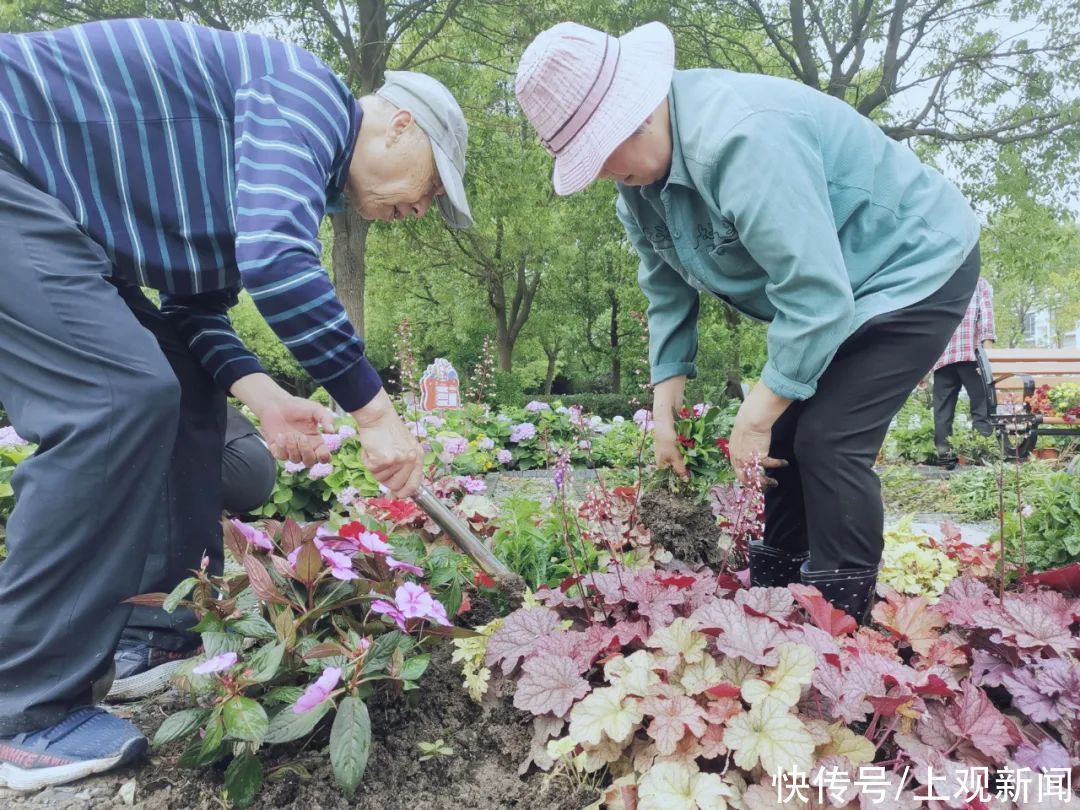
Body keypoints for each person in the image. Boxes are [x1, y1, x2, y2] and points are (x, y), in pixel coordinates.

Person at [0, 18, 471, 789]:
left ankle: (156, 629)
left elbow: (193, 315)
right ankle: (24, 712)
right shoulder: (307, 98)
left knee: (180, 381)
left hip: (54, 211)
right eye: (433, 185)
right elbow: (276, 263)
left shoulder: (263, 174)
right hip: (13, 163)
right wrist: (376, 414)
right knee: (113, 399)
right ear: (399, 122)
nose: (422, 209)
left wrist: (269, 398)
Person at [515, 21, 981, 622]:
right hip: (834, 290)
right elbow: (665, 288)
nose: (602, 171)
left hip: (913, 264)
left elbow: (816, 297)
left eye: (600, 153)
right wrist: (666, 403)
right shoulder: (636, 187)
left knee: (828, 439)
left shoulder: (743, 140)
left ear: (636, 112)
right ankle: (778, 598)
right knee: (784, 440)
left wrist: (756, 411)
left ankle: (840, 624)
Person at [105, 405, 278, 702]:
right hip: (225, 445)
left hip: (233, 455)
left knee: (143, 463)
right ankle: (187, 623)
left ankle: (163, 640)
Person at [932, 278, 996, 459]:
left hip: (943, 357)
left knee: (942, 411)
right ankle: (980, 455)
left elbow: (931, 324)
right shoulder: (977, 282)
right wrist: (988, 358)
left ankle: (944, 455)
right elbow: (986, 318)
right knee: (981, 408)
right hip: (972, 355)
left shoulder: (939, 283)